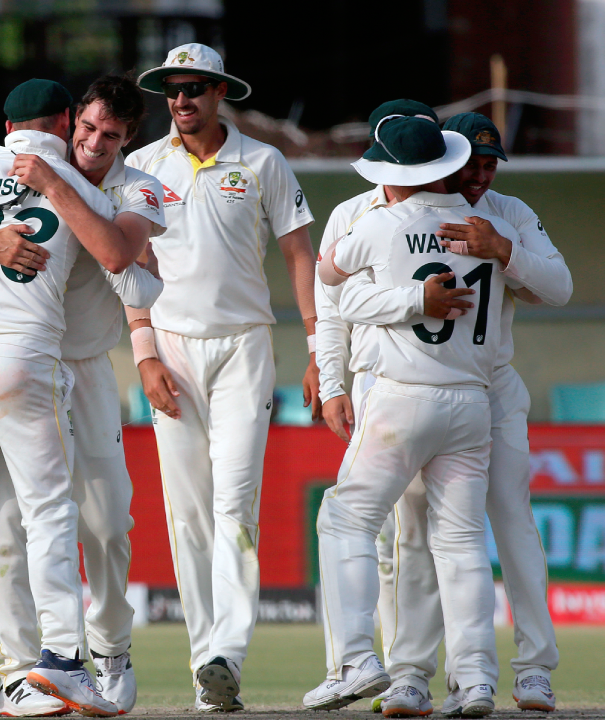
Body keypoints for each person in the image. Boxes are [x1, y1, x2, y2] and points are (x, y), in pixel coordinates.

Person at [0, 74, 164, 716]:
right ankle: (26, 669)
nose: (93, 142)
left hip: (83, 364)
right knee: (10, 525)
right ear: (69, 122)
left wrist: (55, 182)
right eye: (85, 128)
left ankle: (110, 649)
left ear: (128, 140)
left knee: (110, 519)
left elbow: (117, 252)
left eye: (109, 135)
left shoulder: (136, 187)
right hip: (26, 357)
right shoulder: (21, 167)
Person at [338, 113, 570, 716]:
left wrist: (506, 252)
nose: (481, 177)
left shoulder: (508, 214)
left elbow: (560, 286)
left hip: (491, 388)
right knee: (418, 530)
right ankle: (413, 674)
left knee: (512, 522)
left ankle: (535, 668)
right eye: (472, 166)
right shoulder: (403, 212)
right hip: (446, 388)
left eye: (491, 167)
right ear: (445, 164)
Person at [124, 43, 317, 710]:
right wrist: (144, 352)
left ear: (220, 93)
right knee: (189, 518)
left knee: (235, 504)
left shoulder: (262, 162)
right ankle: (207, 668)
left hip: (243, 348)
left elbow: (300, 253)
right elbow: (128, 263)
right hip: (170, 350)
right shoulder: (141, 165)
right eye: (174, 90)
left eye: (197, 88)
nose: (183, 100)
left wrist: (321, 348)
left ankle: (227, 654)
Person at [307, 115, 518, 715]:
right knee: (462, 543)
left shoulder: (382, 222)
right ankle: (476, 679)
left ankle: (355, 661)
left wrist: (397, 297)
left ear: (392, 177)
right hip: (472, 404)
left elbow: (329, 276)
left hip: (402, 397)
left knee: (346, 520)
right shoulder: (488, 229)